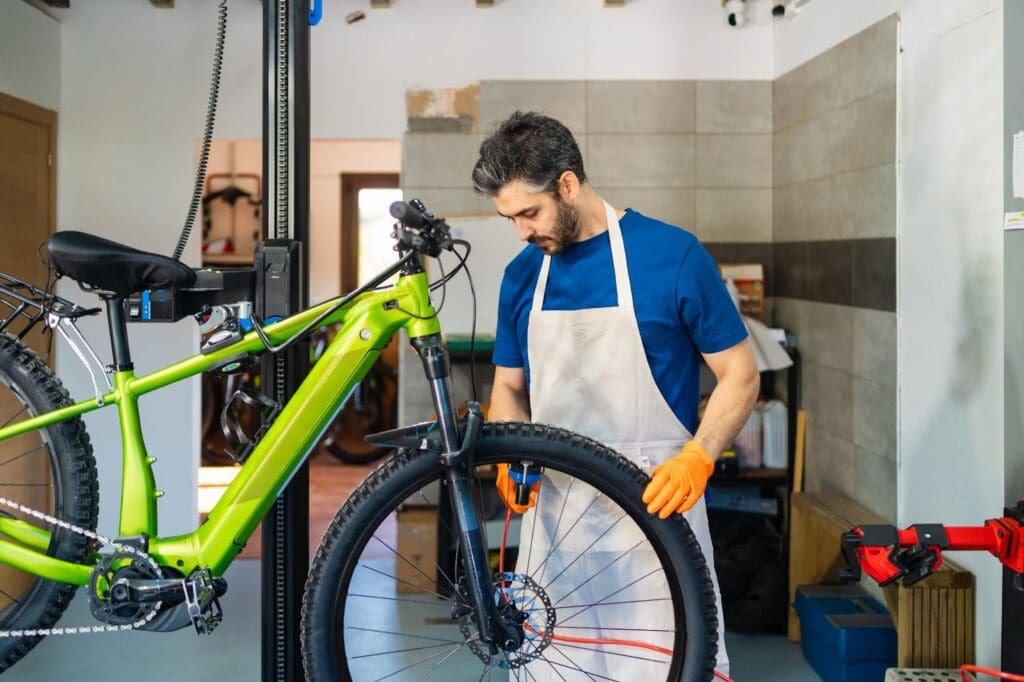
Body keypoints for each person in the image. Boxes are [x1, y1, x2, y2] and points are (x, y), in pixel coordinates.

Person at [473, 111, 759, 678]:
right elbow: (507, 386)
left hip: (657, 519)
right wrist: (508, 443)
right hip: (557, 529)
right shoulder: (522, 276)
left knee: (669, 667)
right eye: (510, 218)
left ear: (569, 184)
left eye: (529, 213)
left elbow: (741, 373)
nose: (522, 232)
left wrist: (699, 456)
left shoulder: (672, 256)